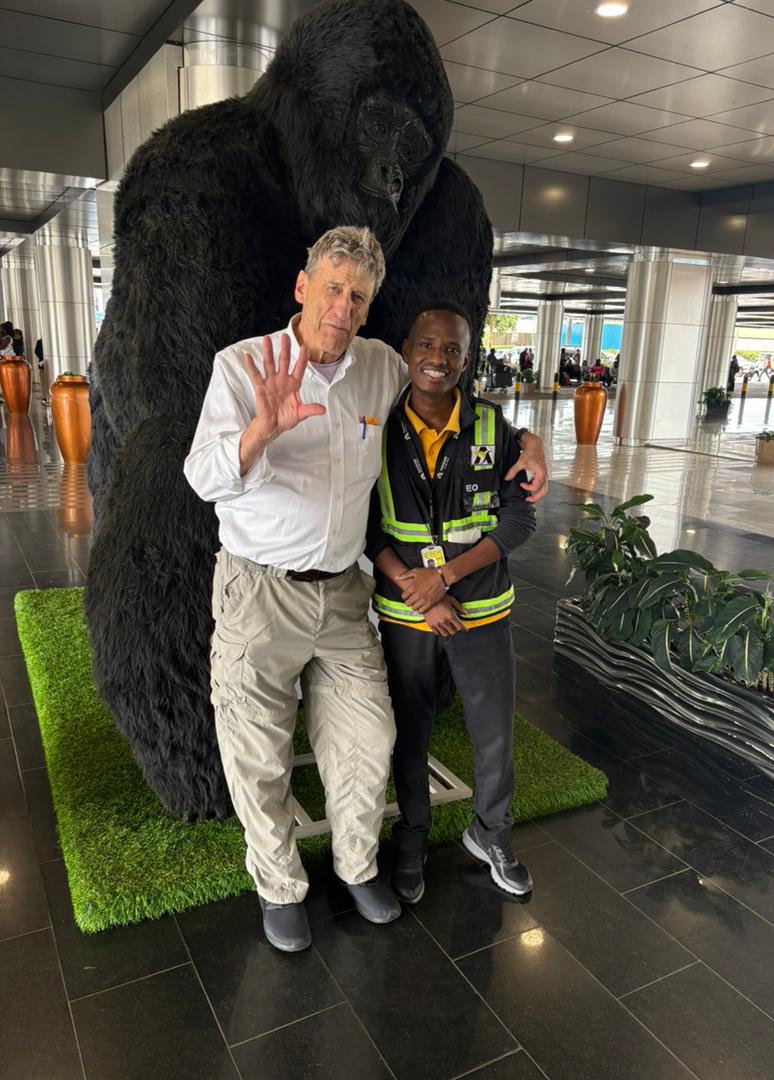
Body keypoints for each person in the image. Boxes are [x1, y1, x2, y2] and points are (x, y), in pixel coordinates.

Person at [184, 226, 549, 954]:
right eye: (332, 289)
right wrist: (261, 432)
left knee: (368, 737)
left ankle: (356, 867)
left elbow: (453, 398)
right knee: (256, 751)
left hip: (346, 595)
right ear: (302, 286)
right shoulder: (243, 367)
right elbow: (201, 477)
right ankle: (281, 887)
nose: (342, 307)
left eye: (357, 296)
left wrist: (531, 442)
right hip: (260, 590)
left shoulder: (381, 366)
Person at [366, 302, 535, 903]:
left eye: (453, 349)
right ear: (407, 349)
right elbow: (366, 527)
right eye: (428, 346)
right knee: (409, 731)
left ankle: (491, 836)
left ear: (468, 358)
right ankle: (411, 837)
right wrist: (417, 589)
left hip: (483, 611)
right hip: (408, 612)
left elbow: (520, 521)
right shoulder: (377, 430)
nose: (438, 359)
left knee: (493, 733)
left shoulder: (496, 429)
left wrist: (447, 578)